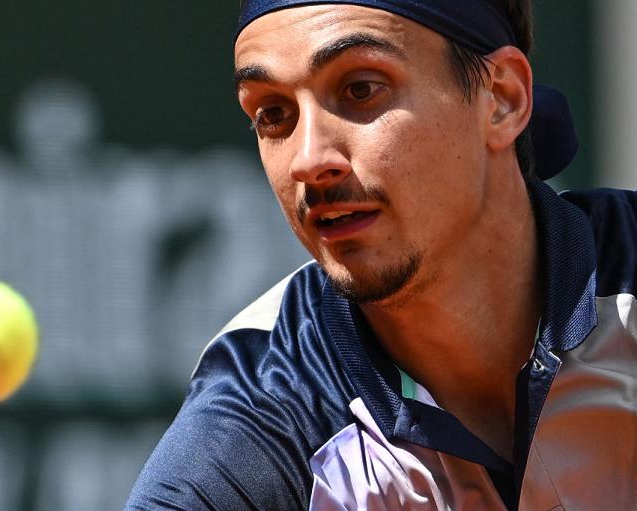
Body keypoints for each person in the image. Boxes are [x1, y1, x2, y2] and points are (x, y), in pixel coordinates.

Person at [127, 1, 637, 509]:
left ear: (501, 98)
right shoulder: (265, 409)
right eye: (274, 114)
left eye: (360, 89)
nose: (308, 160)